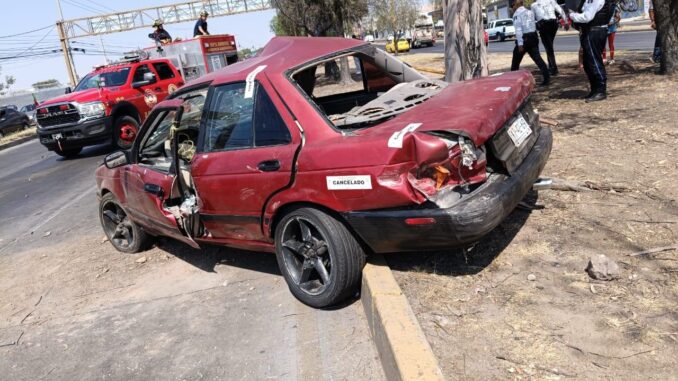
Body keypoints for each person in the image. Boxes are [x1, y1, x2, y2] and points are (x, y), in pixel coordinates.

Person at [568, 0, 611, 102]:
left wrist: (572, 16)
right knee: (588, 63)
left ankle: (600, 90)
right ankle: (595, 89)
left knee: (594, 61)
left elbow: (587, 17)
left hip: (594, 32)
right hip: (590, 31)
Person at [511, 0, 550, 86]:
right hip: (533, 37)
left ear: (515, 5)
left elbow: (518, 30)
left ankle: (513, 82)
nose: (512, 8)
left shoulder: (517, 14)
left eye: (512, 5)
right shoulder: (530, 12)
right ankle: (547, 78)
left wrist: (520, 44)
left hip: (524, 39)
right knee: (538, 59)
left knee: (515, 62)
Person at [531, 0, 568, 75]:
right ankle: (551, 66)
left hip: (544, 25)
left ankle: (554, 68)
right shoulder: (552, 1)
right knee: (549, 46)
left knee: (549, 48)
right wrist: (566, 22)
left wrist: (533, 29)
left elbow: (532, 18)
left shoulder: (534, 5)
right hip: (553, 24)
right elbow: (560, 10)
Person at [602, 0, 621, 65]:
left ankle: (612, 59)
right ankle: (604, 58)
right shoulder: (602, 4)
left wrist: (613, 22)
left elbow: (618, 17)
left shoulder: (615, 6)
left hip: (612, 27)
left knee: (611, 44)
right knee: (603, 44)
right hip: (604, 27)